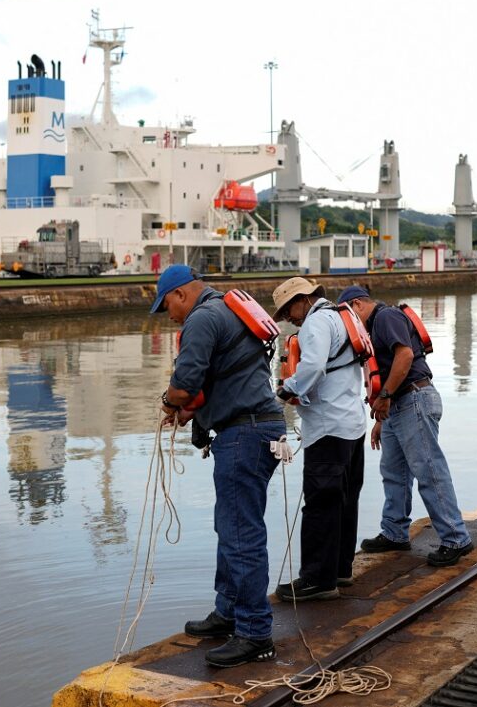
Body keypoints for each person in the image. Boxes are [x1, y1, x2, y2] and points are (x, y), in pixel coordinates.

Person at [151, 265, 286, 667]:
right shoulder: (225, 311)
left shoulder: (202, 318)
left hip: (244, 434)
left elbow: (185, 382)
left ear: (180, 295)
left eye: (167, 307)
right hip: (258, 428)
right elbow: (227, 377)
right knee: (231, 526)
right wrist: (194, 413)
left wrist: (170, 403)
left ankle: (255, 633)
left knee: (240, 533)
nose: (170, 315)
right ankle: (228, 613)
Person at [338, 285, 475, 567]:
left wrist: (385, 396)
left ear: (357, 305)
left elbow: (405, 357)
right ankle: (395, 532)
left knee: (429, 470)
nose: (348, 324)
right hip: (398, 405)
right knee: (393, 471)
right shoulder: (375, 324)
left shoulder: (385, 317)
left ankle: (455, 538)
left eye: (346, 315)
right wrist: (381, 417)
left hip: (413, 398)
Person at [271, 277, 368, 602]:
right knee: (345, 500)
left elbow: (311, 367)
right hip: (351, 424)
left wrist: (284, 392)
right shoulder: (340, 316)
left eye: (288, 310)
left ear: (302, 300)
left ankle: (317, 579)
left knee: (320, 504)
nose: (288, 319)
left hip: (328, 428)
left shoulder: (315, 323)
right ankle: (340, 569)